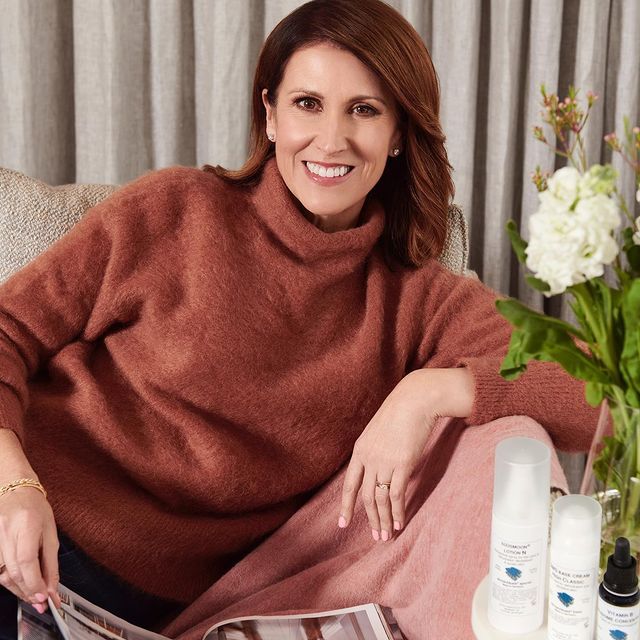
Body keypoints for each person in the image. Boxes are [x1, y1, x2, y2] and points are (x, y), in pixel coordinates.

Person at [0, 0, 598, 637]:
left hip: (137, 612)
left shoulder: (418, 298)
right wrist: (15, 488)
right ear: (271, 115)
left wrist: (430, 392)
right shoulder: (174, 210)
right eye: (307, 104)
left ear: (398, 132)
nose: (331, 140)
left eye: (363, 110)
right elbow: (9, 329)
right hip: (26, 510)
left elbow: (597, 387)